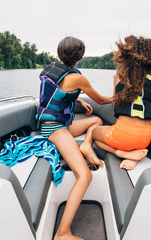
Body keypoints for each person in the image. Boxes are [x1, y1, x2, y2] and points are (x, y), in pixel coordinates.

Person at [37, 36, 112, 240]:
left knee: (95, 120)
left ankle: (86, 146)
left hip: (56, 125)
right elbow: (101, 99)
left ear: (60, 52)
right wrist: (124, 97)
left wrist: (77, 99)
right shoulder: (77, 77)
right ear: (80, 56)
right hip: (55, 130)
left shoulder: (51, 69)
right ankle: (62, 233)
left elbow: (56, 92)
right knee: (85, 176)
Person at [79, 35, 151, 170]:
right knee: (126, 138)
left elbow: (116, 105)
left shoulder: (119, 77)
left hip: (122, 137)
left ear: (127, 56)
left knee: (93, 132)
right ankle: (133, 155)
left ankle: (116, 151)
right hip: (145, 140)